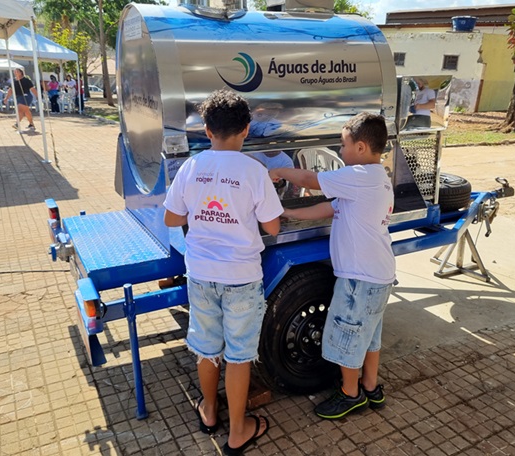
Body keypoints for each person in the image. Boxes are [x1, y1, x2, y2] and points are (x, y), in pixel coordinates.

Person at [163, 89, 282, 455]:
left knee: (207, 347)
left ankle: (210, 412)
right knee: (239, 354)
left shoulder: (192, 166)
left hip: (200, 271)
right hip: (241, 276)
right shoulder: (254, 170)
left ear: (207, 130)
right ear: (247, 129)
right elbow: (273, 227)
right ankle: (237, 433)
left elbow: (172, 218)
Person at [269, 112, 396, 420]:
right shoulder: (376, 178)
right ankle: (371, 387)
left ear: (362, 148)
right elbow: (329, 207)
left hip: (359, 278)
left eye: (343, 145)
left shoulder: (359, 176)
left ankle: (350, 395)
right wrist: (286, 213)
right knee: (368, 336)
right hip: (378, 274)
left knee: (348, 335)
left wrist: (278, 170)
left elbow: (312, 181)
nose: (340, 151)